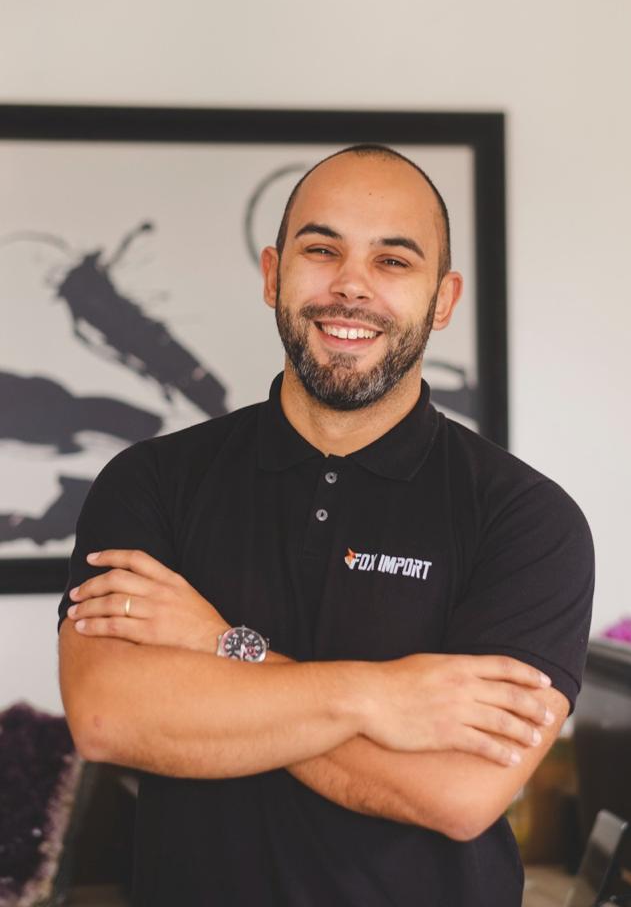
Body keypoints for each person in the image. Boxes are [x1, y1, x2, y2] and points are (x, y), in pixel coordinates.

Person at [57, 144, 594, 906]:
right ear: (273, 274)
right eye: (321, 250)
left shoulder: (527, 519)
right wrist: (382, 698)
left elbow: (458, 793)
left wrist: (218, 645)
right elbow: (110, 716)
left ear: (443, 300)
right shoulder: (151, 482)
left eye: (393, 261)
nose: (350, 285)